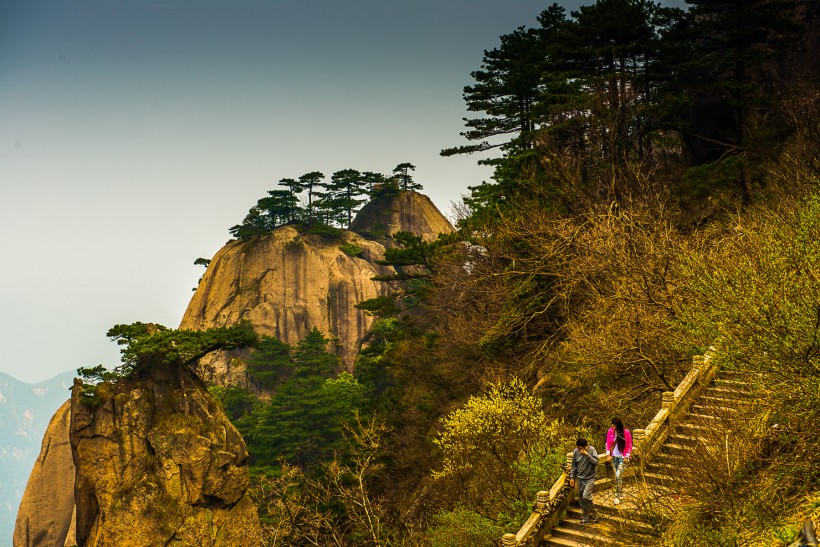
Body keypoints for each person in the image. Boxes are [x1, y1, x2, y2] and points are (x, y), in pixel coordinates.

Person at [569, 437, 599, 524]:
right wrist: (572, 477)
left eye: (579, 448)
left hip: (590, 478)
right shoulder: (575, 452)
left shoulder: (592, 450)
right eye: (577, 448)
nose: (578, 450)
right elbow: (574, 465)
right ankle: (586, 517)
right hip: (580, 478)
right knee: (581, 499)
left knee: (586, 496)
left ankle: (594, 513)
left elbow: (596, 462)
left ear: (584, 446)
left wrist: (587, 454)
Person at [605, 417, 633, 505]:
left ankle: (617, 496)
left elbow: (629, 445)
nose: (613, 427)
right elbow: (608, 444)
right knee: (618, 477)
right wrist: (608, 454)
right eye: (612, 425)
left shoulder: (626, 432)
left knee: (618, 475)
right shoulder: (610, 431)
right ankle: (620, 493)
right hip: (614, 457)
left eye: (614, 425)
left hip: (623, 457)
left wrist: (627, 456)